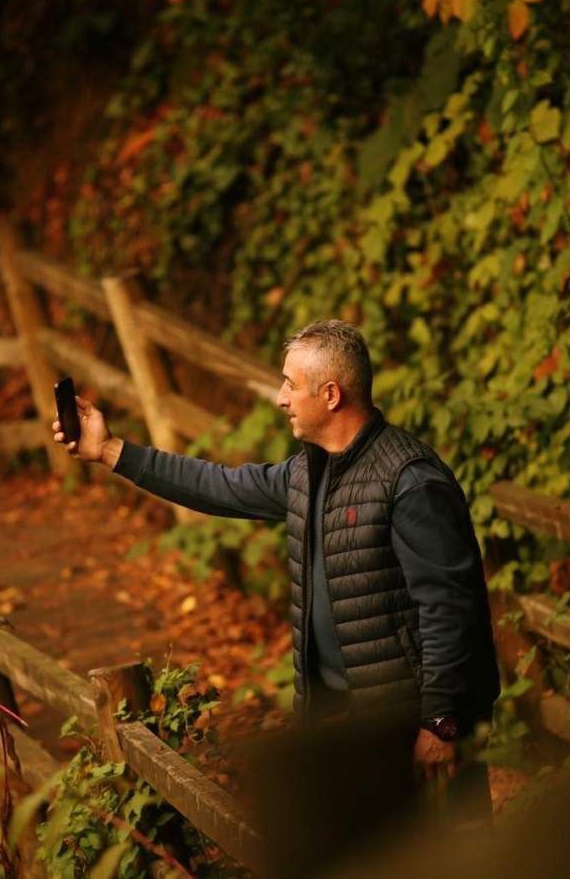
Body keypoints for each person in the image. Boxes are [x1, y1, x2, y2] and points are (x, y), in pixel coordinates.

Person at [53, 320, 501, 825]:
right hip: (343, 726)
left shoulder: (410, 480)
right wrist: (110, 450)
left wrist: (440, 724)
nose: (281, 398)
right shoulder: (308, 473)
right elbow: (218, 486)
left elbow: (450, 609)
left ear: (331, 395)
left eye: (290, 384)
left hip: (410, 724)